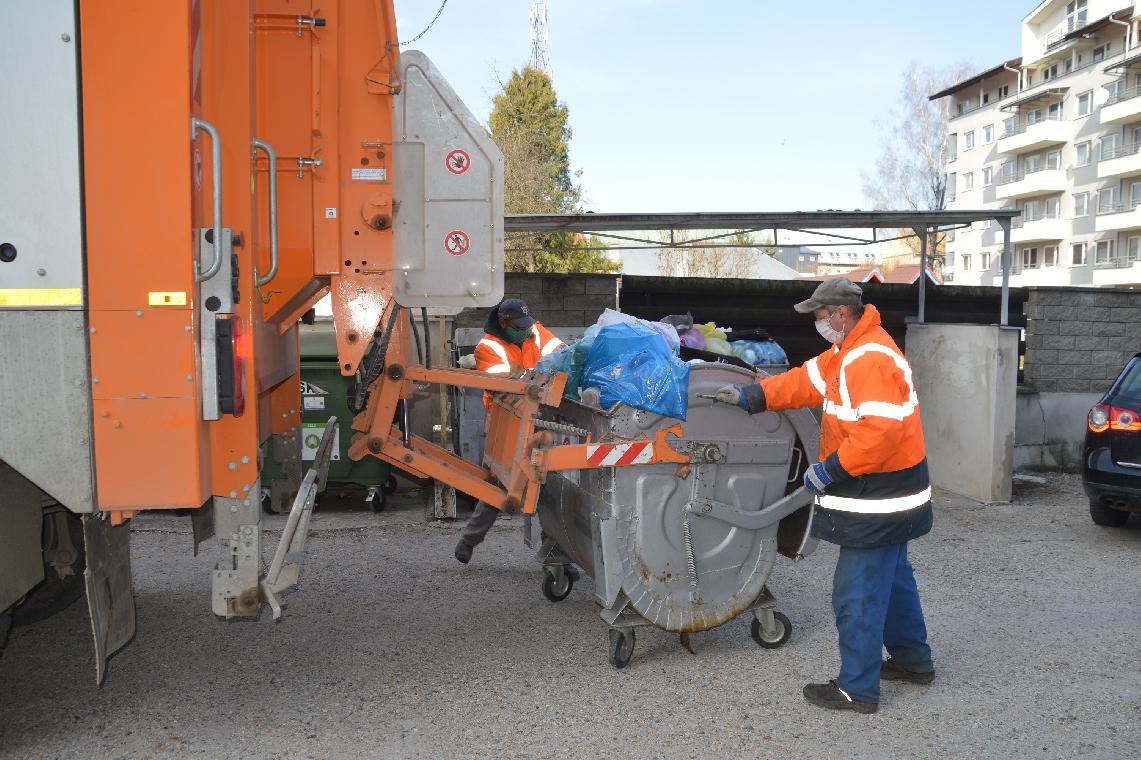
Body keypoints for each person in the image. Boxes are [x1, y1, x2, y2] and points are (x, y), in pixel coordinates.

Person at [714, 278, 934, 715]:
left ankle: (857, 689)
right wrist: (750, 397)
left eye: (818, 316)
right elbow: (802, 382)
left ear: (838, 313)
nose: (817, 324)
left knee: (856, 592)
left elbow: (880, 433)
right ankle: (914, 663)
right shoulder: (848, 352)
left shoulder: (867, 359)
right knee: (894, 579)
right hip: (896, 490)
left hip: (879, 494)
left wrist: (828, 471)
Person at [455, 298, 564, 564]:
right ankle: (470, 539)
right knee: (501, 484)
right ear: (503, 323)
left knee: (549, 485)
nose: (526, 331)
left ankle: (555, 555)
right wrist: (537, 374)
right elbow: (506, 385)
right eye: (519, 327)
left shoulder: (533, 330)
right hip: (507, 419)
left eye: (527, 325)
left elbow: (561, 353)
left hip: (541, 415)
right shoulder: (488, 347)